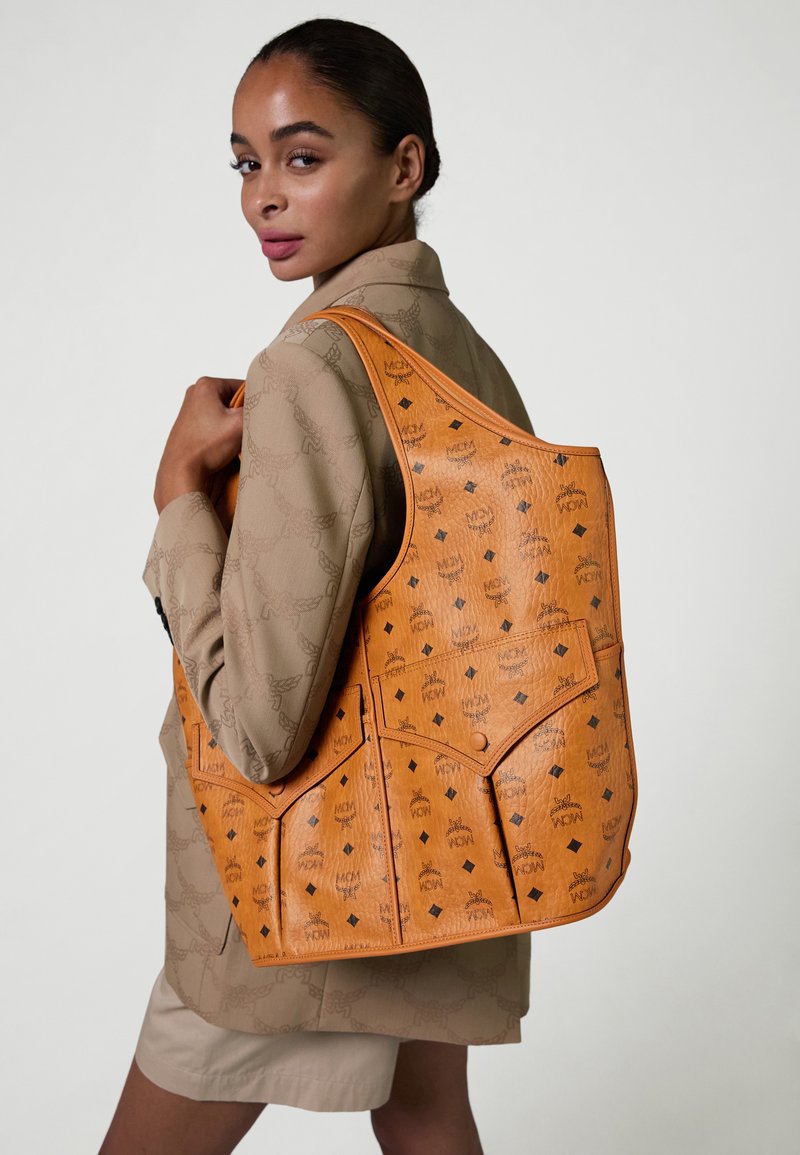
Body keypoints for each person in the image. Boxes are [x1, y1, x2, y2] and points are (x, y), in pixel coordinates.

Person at [99, 17, 536, 1155]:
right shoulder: (461, 354)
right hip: (448, 851)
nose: (262, 197)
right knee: (430, 1120)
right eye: (247, 162)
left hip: (302, 892)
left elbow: (257, 730)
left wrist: (178, 502)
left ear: (404, 166)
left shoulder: (313, 365)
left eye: (302, 156)